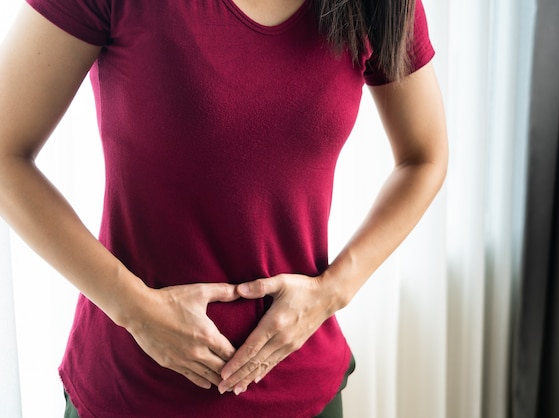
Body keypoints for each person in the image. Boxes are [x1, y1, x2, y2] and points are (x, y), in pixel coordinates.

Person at [0, 0, 447, 416]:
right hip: (132, 391)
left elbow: (423, 157)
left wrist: (332, 291)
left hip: (302, 390)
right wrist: (133, 309)